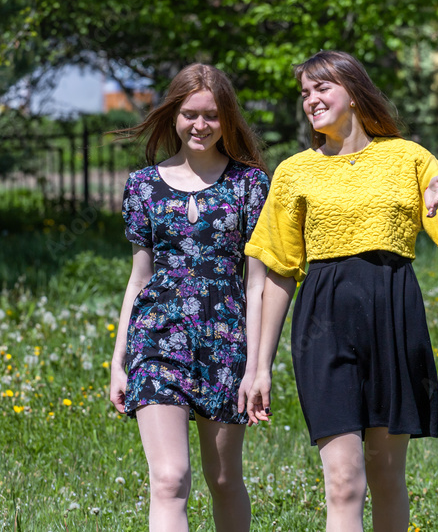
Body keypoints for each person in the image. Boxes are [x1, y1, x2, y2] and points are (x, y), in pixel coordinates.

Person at [244, 50, 438, 532]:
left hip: (393, 316)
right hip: (322, 324)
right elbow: (277, 270)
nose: (311, 100)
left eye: (322, 88)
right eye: (304, 93)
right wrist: (259, 367)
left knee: (385, 476)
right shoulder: (294, 171)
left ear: (355, 93)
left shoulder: (407, 157)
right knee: (343, 482)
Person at [109, 63, 270, 532]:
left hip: (226, 343)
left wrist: (257, 365)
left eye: (213, 116)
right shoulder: (143, 186)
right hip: (156, 342)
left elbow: (257, 283)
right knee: (169, 478)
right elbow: (139, 279)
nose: (201, 126)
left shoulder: (250, 184)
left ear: (229, 120)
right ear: (173, 115)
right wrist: (118, 362)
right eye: (190, 114)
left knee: (223, 479)